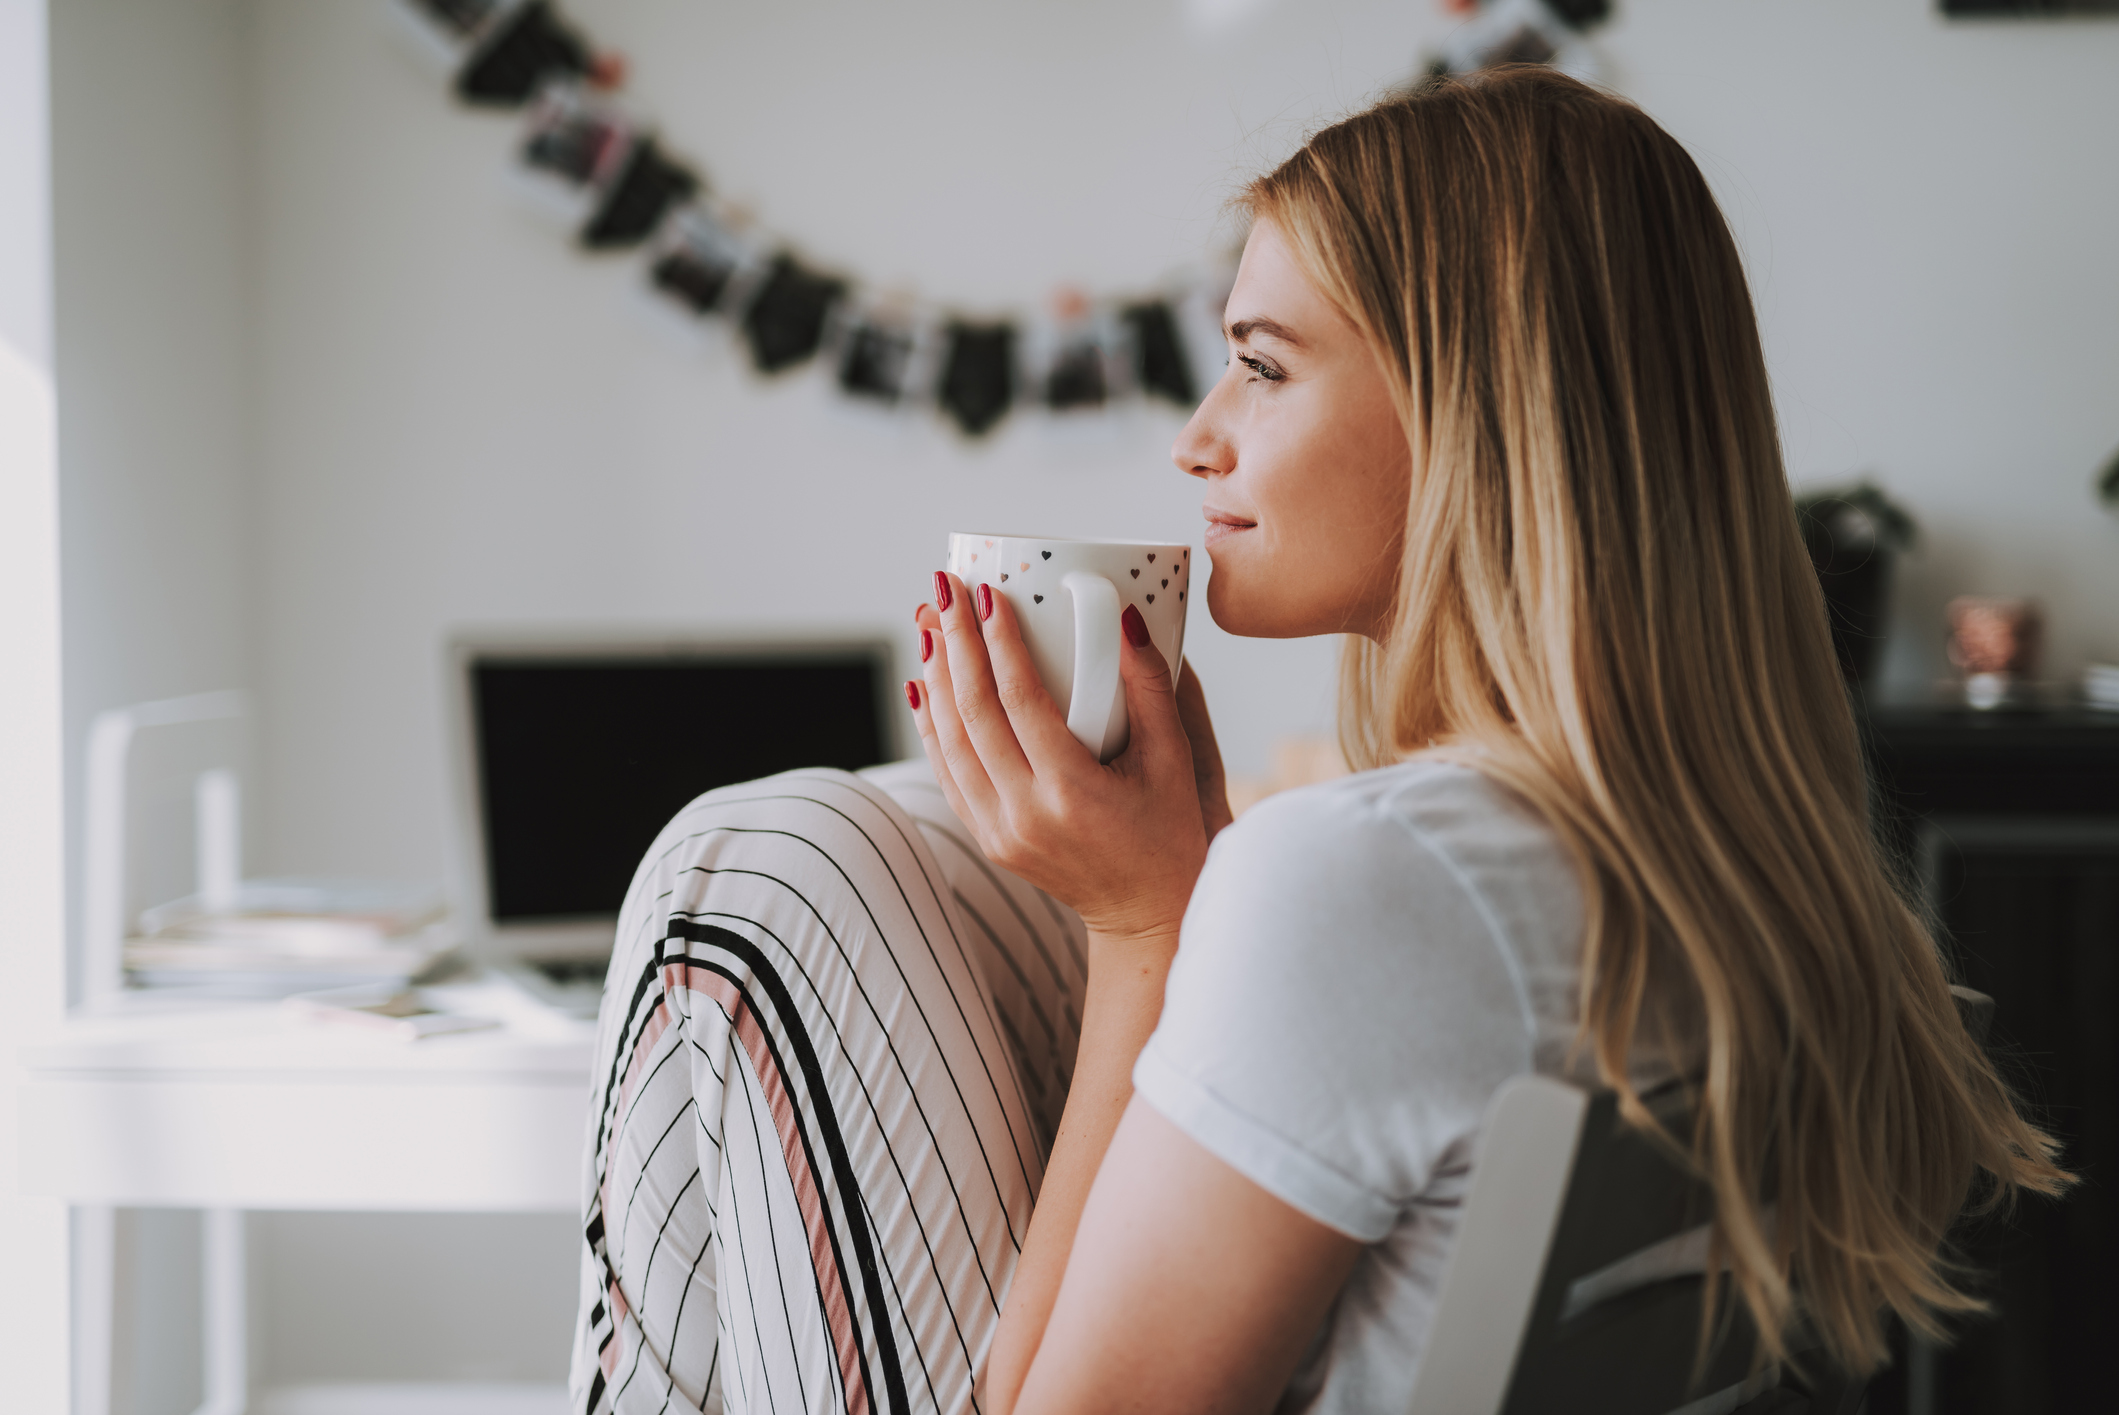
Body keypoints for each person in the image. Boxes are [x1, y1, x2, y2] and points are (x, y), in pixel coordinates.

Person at [571, 66, 2068, 1415]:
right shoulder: (1720, 869)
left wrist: (1149, 929)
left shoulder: (1371, 880)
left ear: (1483, 414)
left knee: (756, 869)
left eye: (1266, 366)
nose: (1197, 434)